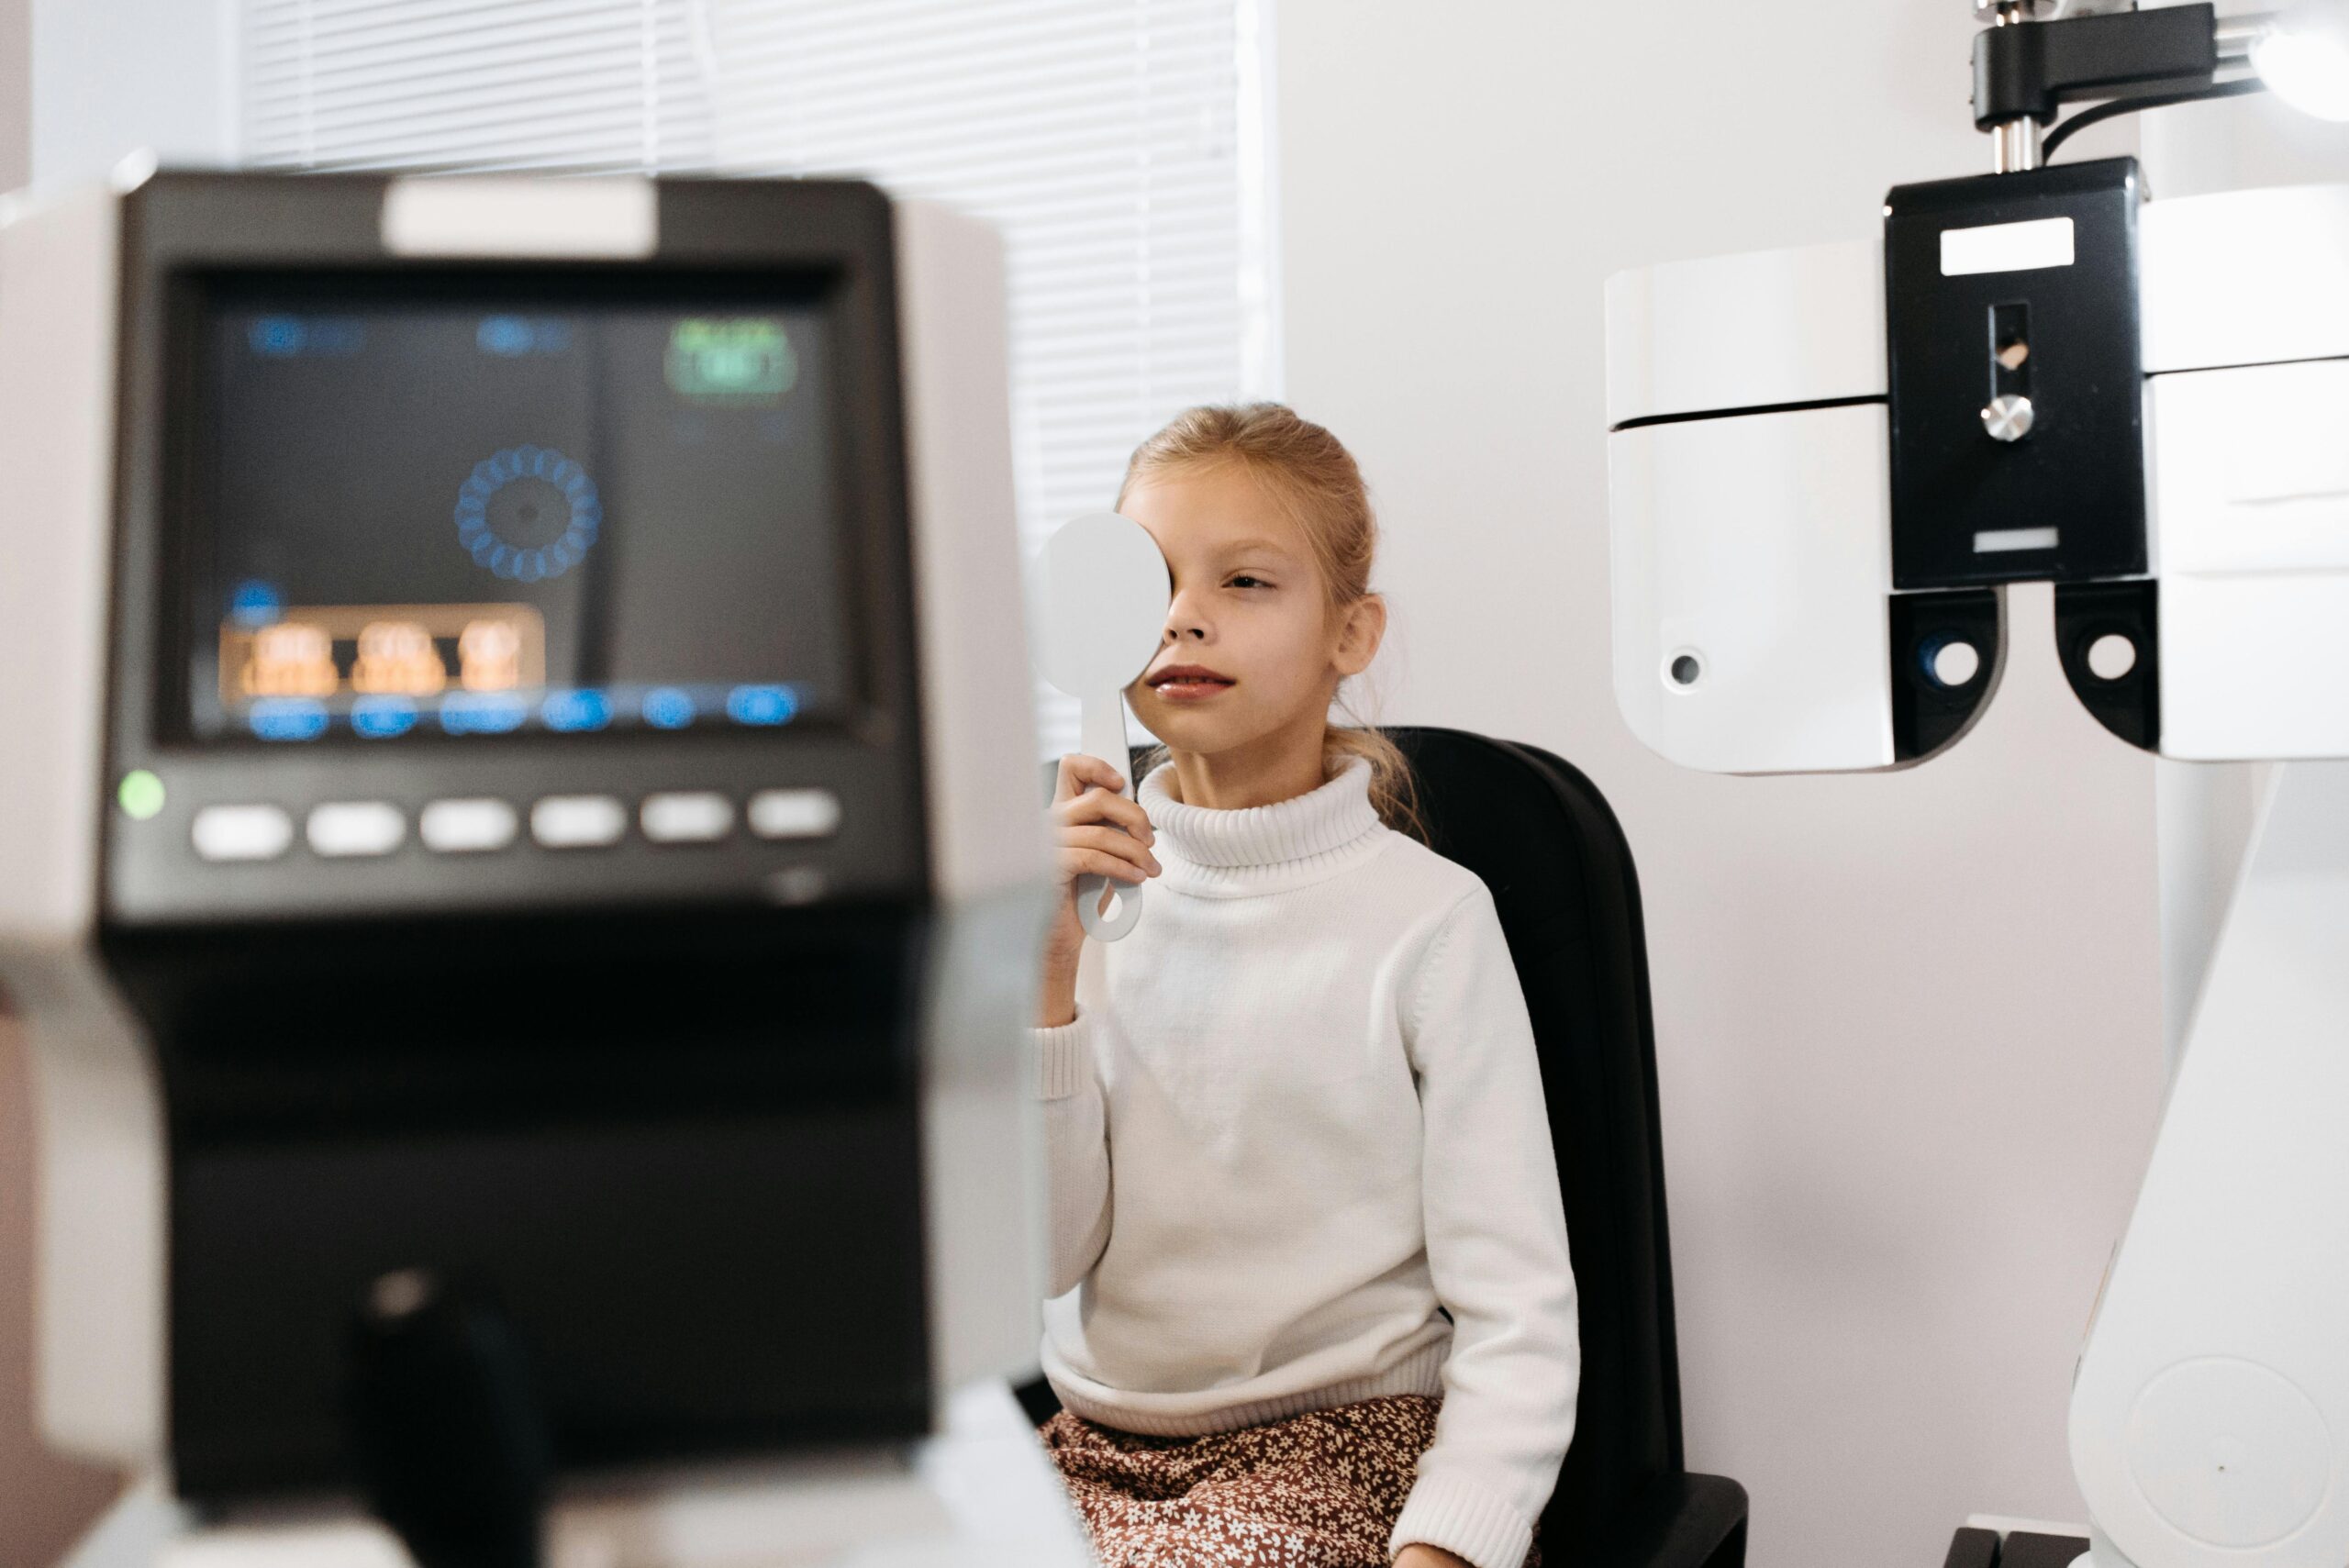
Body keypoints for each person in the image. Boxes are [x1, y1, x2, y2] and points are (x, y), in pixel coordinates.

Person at [1032, 403, 1578, 1568]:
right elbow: (1040, 1258)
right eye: (1156, 580)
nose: (1183, 613)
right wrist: (1046, 988)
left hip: (1348, 1449)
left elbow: (1518, 1316)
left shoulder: (1430, 922)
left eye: (1243, 581)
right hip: (1093, 1449)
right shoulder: (1070, 905)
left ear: (1351, 630)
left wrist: (1448, 1545)